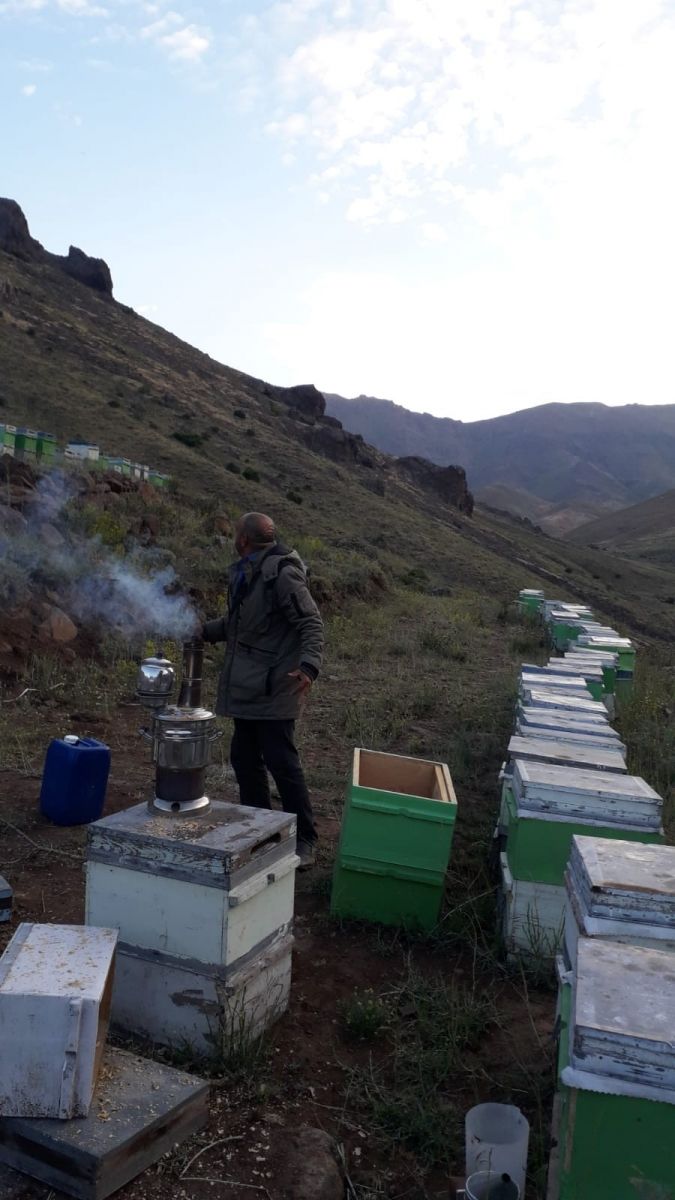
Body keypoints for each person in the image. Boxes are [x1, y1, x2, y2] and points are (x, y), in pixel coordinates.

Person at [202, 512, 323, 869]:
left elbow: (311, 621)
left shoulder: (281, 575)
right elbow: (239, 624)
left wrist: (309, 666)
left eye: (236, 532)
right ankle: (262, 830)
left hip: (276, 686)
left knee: (281, 762)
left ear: (243, 540)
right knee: (244, 757)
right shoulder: (251, 571)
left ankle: (304, 840)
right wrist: (203, 631)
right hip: (250, 686)